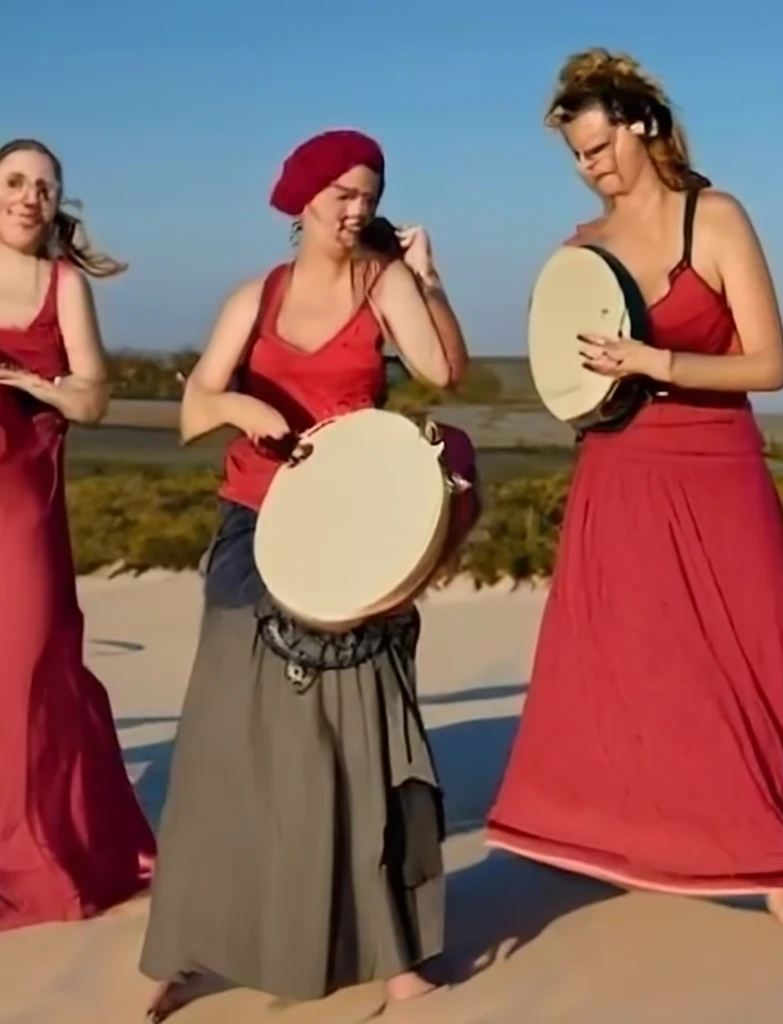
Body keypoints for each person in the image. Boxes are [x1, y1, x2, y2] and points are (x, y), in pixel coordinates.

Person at [485, 48, 783, 959]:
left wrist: (657, 363)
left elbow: (770, 363)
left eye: (597, 145)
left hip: (716, 466)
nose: (589, 166)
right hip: (619, 467)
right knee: (617, 664)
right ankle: (615, 839)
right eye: (575, 155)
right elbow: (567, 374)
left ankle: (779, 866)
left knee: (745, 660)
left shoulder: (712, 218)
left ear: (639, 126)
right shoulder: (578, 249)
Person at [139, 129, 467, 1021]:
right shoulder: (258, 295)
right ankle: (199, 944)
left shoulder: (382, 280)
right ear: (302, 197)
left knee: (359, 746)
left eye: (369, 193)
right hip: (256, 525)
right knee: (225, 749)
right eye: (341, 193)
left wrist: (429, 277)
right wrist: (244, 403)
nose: (355, 208)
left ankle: (396, 957)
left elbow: (443, 370)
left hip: (357, 535)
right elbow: (192, 408)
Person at [0, 138, 156, 930]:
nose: (30, 196)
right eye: (16, 182)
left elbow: (93, 401)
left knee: (29, 668)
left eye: (44, 187)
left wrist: (33, 382)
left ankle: (36, 850)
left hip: (20, 492)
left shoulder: (61, 284)